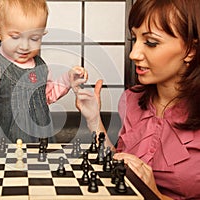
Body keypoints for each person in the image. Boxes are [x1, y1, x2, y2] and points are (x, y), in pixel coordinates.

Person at [75, 0, 200, 199]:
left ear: (190, 51)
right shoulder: (131, 99)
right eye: (135, 39)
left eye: (151, 42)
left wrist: (155, 196)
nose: (133, 54)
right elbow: (119, 162)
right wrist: (93, 119)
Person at [0, 0, 87, 143]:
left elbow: (46, 95)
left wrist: (67, 79)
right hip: (7, 142)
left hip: (41, 139)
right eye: (15, 37)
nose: (24, 46)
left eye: (34, 38)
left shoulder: (41, 66)